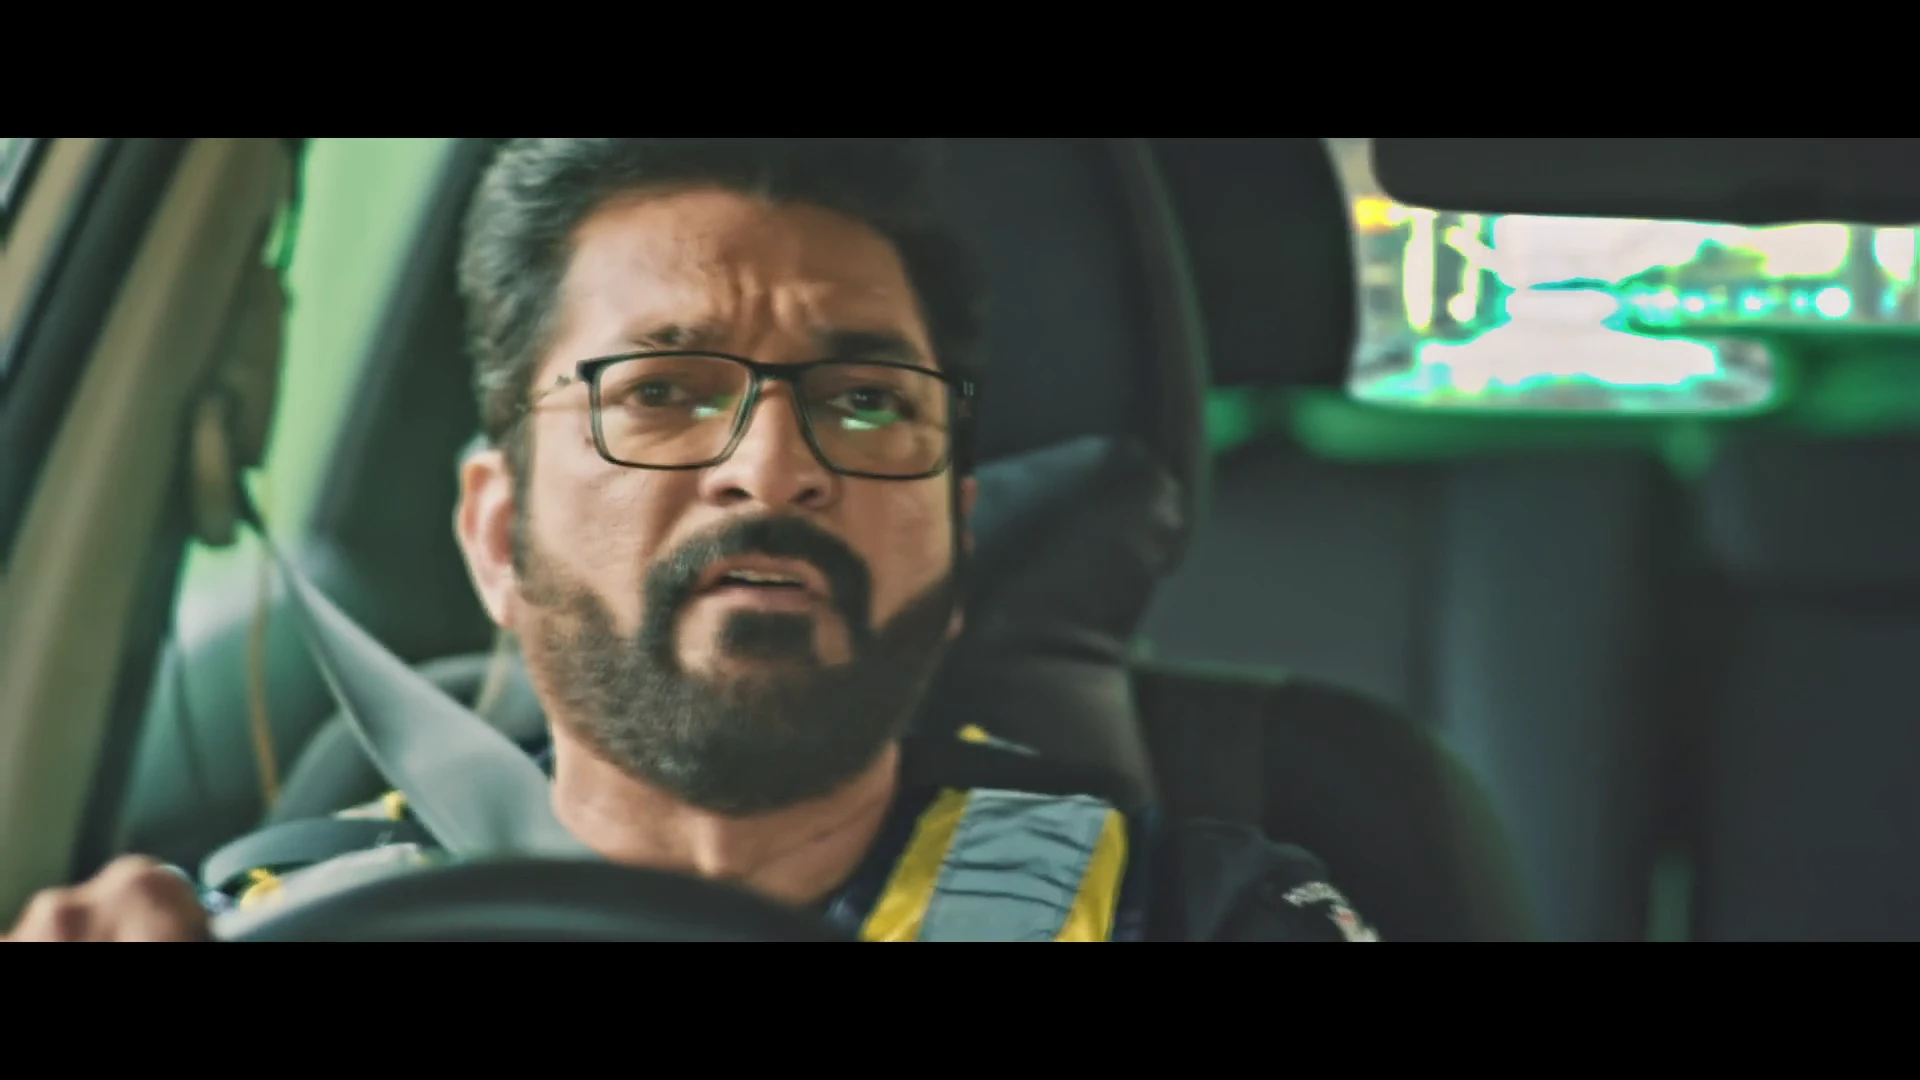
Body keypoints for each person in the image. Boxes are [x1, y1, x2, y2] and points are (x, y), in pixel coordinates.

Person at [4, 138, 1380, 942]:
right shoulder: (281, 921)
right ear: (498, 532)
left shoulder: (1206, 915)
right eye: (661, 394)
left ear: (957, 537)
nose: (772, 469)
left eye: (867, 402)